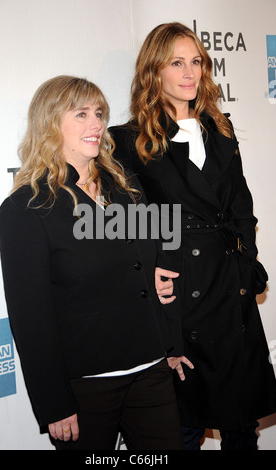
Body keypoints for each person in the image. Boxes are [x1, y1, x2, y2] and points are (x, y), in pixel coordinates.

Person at [109, 22, 276, 450]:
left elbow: (242, 208)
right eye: (176, 63)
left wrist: (247, 263)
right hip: (182, 293)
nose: (189, 73)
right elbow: (128, 221)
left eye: (196, 62)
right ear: (154, 72)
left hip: (230, 284)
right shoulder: (128, 141)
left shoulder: (220, 130)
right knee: (183, 425)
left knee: (242, 424)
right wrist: (155, 269)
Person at [0, 75, 185, 450]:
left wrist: (172, 344)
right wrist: (53, 403)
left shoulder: (125, 186)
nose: (97, 124)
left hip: (151, 370)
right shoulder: (27, 208)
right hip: (86, 388)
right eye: (81, 114)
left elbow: (151, 269)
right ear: (50, 123)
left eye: (98, 113)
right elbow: (31, 317)